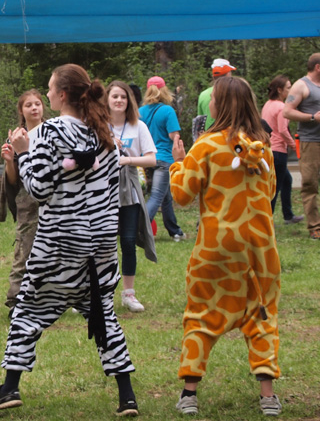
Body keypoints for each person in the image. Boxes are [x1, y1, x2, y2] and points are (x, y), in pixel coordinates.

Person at [0, 64, 139, 417]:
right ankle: (126, 395)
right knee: (103, 315)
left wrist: (23, 152)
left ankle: (9, 387)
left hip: (59, 245)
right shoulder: (105, 134)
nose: (47, 94)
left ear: (63, 95)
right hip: (99, 245)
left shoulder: (51, 132)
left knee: (26, 311)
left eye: (51, 89)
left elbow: (39, 188)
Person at [170, 76, 282, 417]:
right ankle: (268, 398)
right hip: (261, 249)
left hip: (216, 248)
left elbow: (182, 195)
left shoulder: (205, 146)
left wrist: (177, 162)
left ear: (219, 104)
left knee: (202, 316)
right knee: (262, 315)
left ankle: (189, 394)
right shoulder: (262, 148)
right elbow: (272, 191)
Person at [106, 81, 157, 313]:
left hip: (130, 192)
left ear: (130, 102)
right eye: (115, 96)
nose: (119, 101)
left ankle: (128, 294)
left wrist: (128, 159)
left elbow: (151, 159)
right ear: (106, 100)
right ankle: (97, 292)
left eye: (123, 97)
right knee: (101, 243)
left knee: (127, 241)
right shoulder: (98, 126)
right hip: (103, 191)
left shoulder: (139, 126)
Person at [0, 89, 45, 313]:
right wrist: (9, 161)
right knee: (25, 248)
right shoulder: (16, 136)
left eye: (37, 104)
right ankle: (16, 299)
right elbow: (14, 179)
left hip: (53, 198)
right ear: (21, 110)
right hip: (28, 199)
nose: (34, 108)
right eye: (29, 105)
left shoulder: (53, 132)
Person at [139, 76, 187, 241]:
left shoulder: (140, 112)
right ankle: (140, 228)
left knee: (166, 197)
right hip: (164, 159)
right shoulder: (168, 111)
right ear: (164, 90)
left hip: (146, 159)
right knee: (158, 196)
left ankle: (175, 231)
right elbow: (173, 136)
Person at [282, 53, 320, 240]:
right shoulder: (301, 85)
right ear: (318, 67)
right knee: (310, 183)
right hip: (311, 141)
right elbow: (287, 112)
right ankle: (315, 227)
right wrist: (312, 117)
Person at [262, 75, 302, 224]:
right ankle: (267, 219)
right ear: (280, 90)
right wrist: (293, 144)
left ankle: (288, 215)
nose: (290, 91)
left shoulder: (267, 104)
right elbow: (283, 130)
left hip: (268, 149)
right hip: (278, 151)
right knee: (275, 187)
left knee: (287, 181)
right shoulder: (281, 107)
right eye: (288, 88)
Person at [195, 58, 236, 134]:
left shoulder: (203, 95)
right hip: (231, 135)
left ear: (213, 77)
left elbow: (200, 122)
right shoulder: (235, 92)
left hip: (209, 136)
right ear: (228, 74)